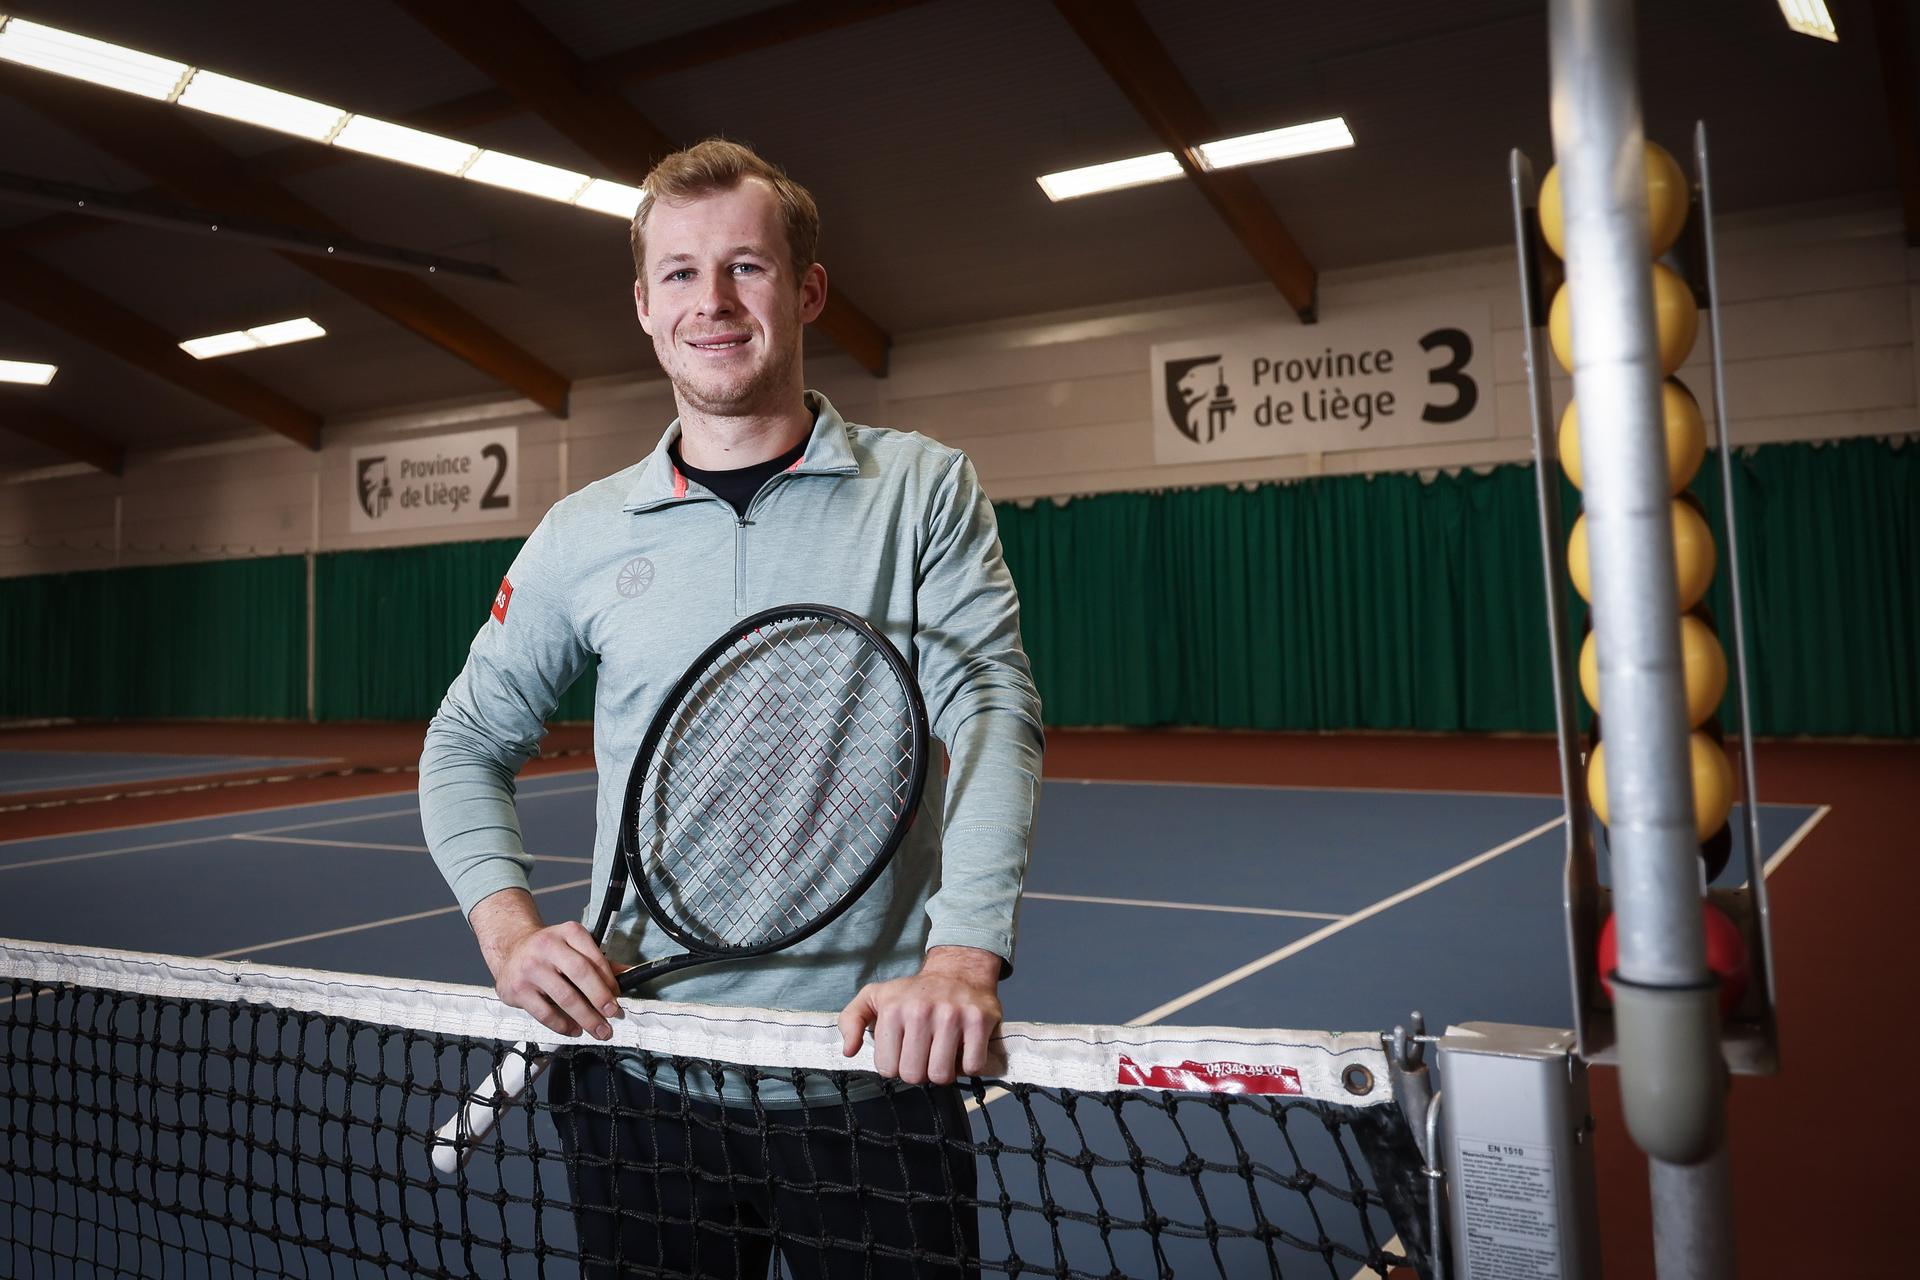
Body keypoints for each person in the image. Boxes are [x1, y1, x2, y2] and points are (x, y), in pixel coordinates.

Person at [419, 138, 1045, 1278]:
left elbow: (993, 706)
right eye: (680, 274)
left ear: (806, 290)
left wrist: (961, 957)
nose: (713, 302)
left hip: (869, 1084)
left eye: (747, 267)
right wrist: (507, 930)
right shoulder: (580, 533)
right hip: (638, 1081)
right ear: (646, 308)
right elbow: (466, 737)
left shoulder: (922, 488)